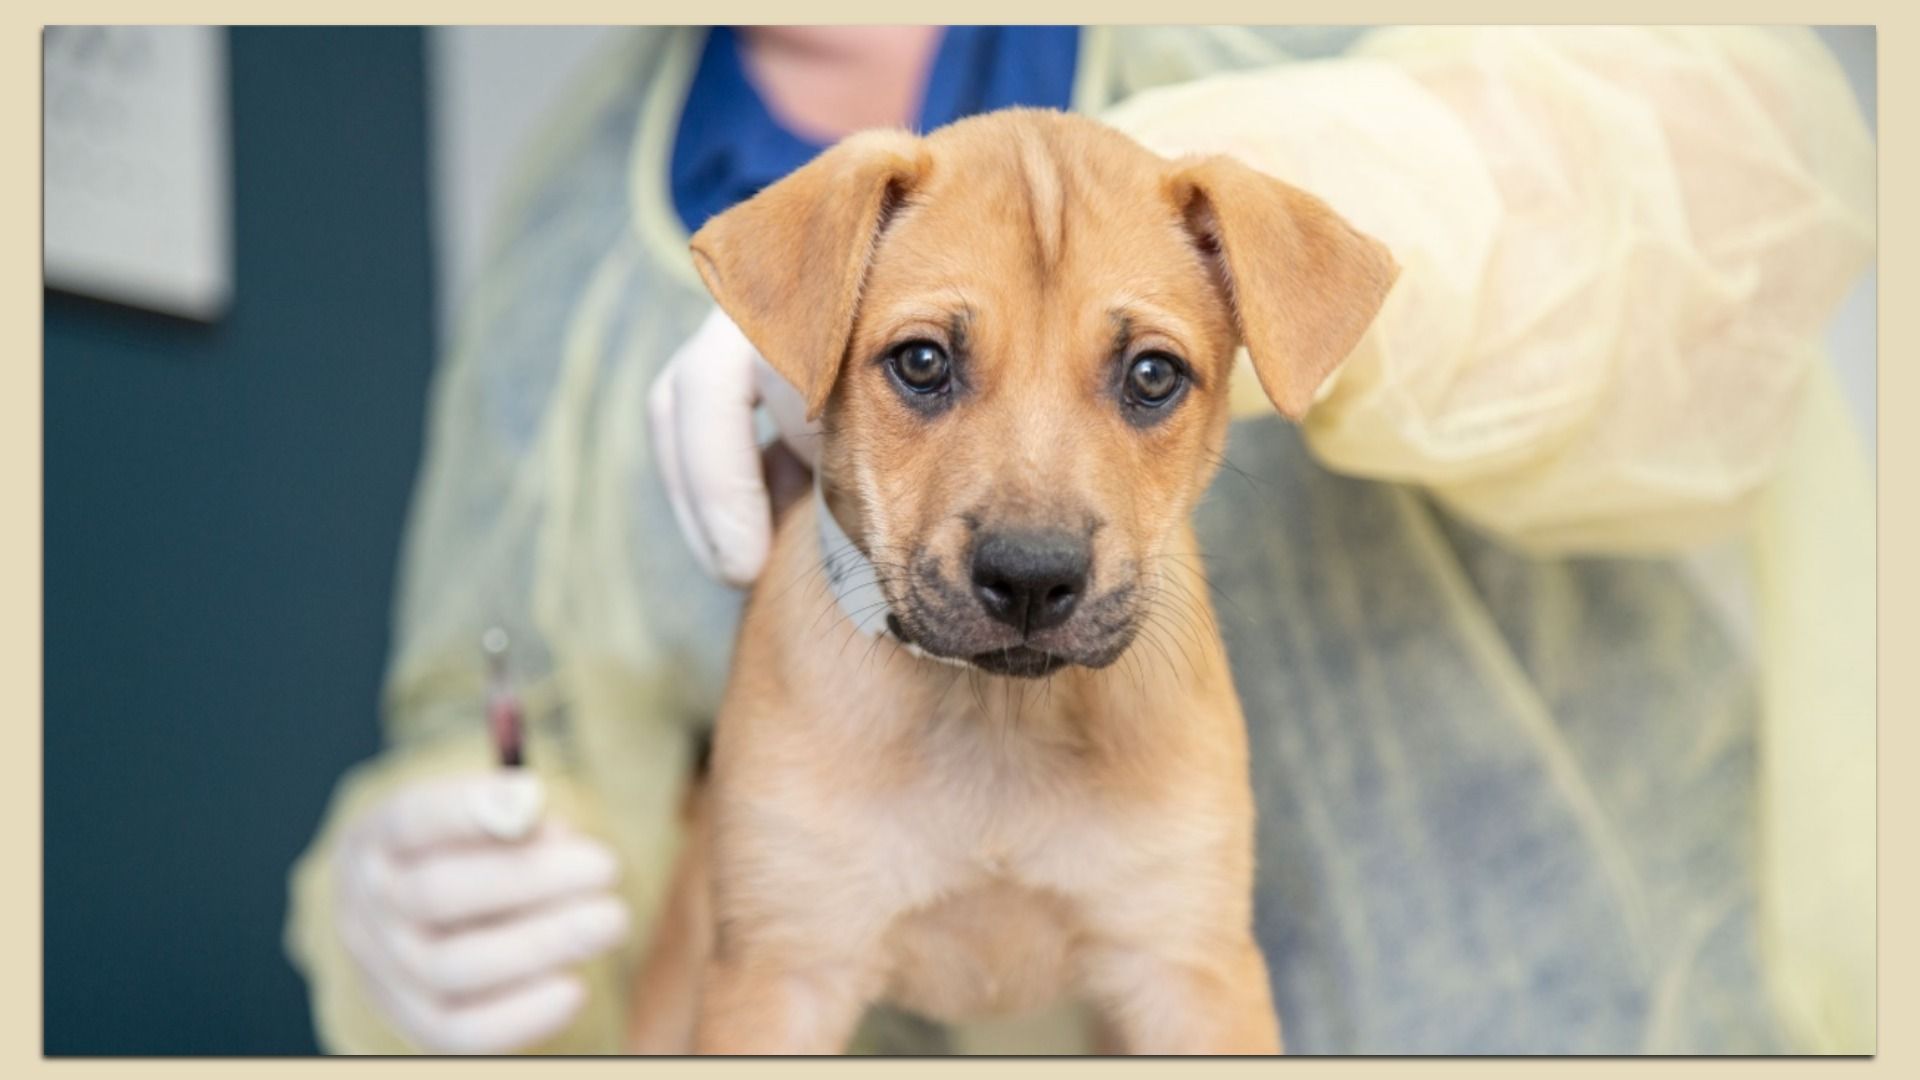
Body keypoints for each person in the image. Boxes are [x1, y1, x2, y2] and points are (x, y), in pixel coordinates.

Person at [285, 25, 1875, 1055]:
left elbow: (1730, 164)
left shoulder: (1249, 41)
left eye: (1148, 375)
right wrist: (443, 849)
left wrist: (1291, 189)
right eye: (924, 364)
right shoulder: (580, 228)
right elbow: (532, 696)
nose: (1035, 530)